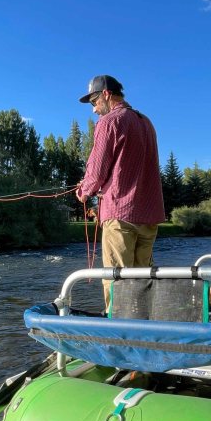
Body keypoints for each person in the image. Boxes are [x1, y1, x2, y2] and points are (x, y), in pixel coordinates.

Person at [75, 75, 165, 308]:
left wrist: (84, 191)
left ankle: (118, 335)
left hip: (120, 214)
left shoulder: (109, 122)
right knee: (143, 280)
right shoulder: (146, 122)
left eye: (94, 102)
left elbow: (97, 169)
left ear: (106, 94)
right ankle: (143, 330)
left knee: (116, 280)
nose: (94, 110)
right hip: (149, 215)